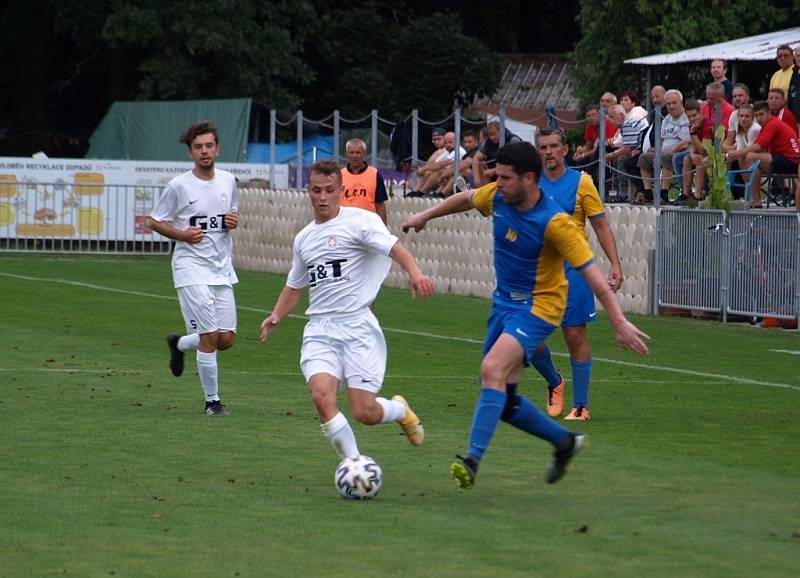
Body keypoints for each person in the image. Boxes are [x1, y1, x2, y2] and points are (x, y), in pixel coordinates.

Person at [401, 142, 650, 489]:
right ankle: (564, 442)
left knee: (491, 370)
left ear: (528, 179)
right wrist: (424, 215)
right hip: (504, 305)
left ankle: (472, 461)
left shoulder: (556, 223)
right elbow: (467, 198)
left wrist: (619, 321)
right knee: (504, 400)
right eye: (496, 176)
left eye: (504, 177)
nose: (496, 183)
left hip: (540, 307)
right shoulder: (500, 197)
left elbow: (593, 275)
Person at [260, 160, 434, 466]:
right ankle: (354, 464)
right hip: (320, 330)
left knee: (364, 412)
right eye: (317, 190)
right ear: (308, 191)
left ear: (341, 190)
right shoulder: (304, 238)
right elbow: (295, 285)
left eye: (329, 190)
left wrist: (415, 273)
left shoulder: (360, 222)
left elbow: (394, 247)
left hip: (357, 327)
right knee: (321, 397)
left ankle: (399, 411)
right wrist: (276, 316)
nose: (323, 197)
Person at [531, 128, 624, 420]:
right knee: (528, 338)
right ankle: (554, 382)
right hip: (537, 270)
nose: (548, 152)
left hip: (574, 270)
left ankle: (581, 406)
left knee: (574, 334)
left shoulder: (582, 183)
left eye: (553, 146)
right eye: (543, 147)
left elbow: (601, 224)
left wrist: (615, 264)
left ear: (565, 149)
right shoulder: (529, 183)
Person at [148, 120, 239, 416]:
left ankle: (179, 344)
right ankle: (212, 402)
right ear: (190, 152)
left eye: (209, 146)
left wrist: (232, 221)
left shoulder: (228, 180)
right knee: (210, 337)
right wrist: (182, 235)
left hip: (221, 268)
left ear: (217, 148)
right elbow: (154, 220)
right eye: (198, 147)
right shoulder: (179, 186)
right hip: (190, 268)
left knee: (225, 339)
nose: (204, 151)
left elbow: (230, 214)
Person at [737, 101, 800, 208]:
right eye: (756, 115)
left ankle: (755, 199)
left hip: (793, 162)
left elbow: (758, 147)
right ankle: (754, 198)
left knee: (750, 157)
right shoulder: (767, 125)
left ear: (769, 113)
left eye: (761, 114)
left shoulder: (772, 124)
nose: (758, 118)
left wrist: (735, 154)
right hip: (785, 159)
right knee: (747, 158)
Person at [340, 138, 389, 224]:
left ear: (364, 154)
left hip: (368, 226)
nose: (355, 156)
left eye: (358, 152)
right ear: (347, 154)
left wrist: (383, 230)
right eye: (352, 152)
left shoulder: (375, 175)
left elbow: (380, 205)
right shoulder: (339, 176)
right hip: (345, 225)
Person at [472, 121, 522, 185]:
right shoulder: (488, 141)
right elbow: (476, 158)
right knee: (481, 165)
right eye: (490, 135)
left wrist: (494, 170)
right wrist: (476, 177)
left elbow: (515, 163)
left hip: (511, 172)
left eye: (494, 134)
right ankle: (483, 190)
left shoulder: (513, 140)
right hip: (493, 172)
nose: (492, 137)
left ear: (501, 131)